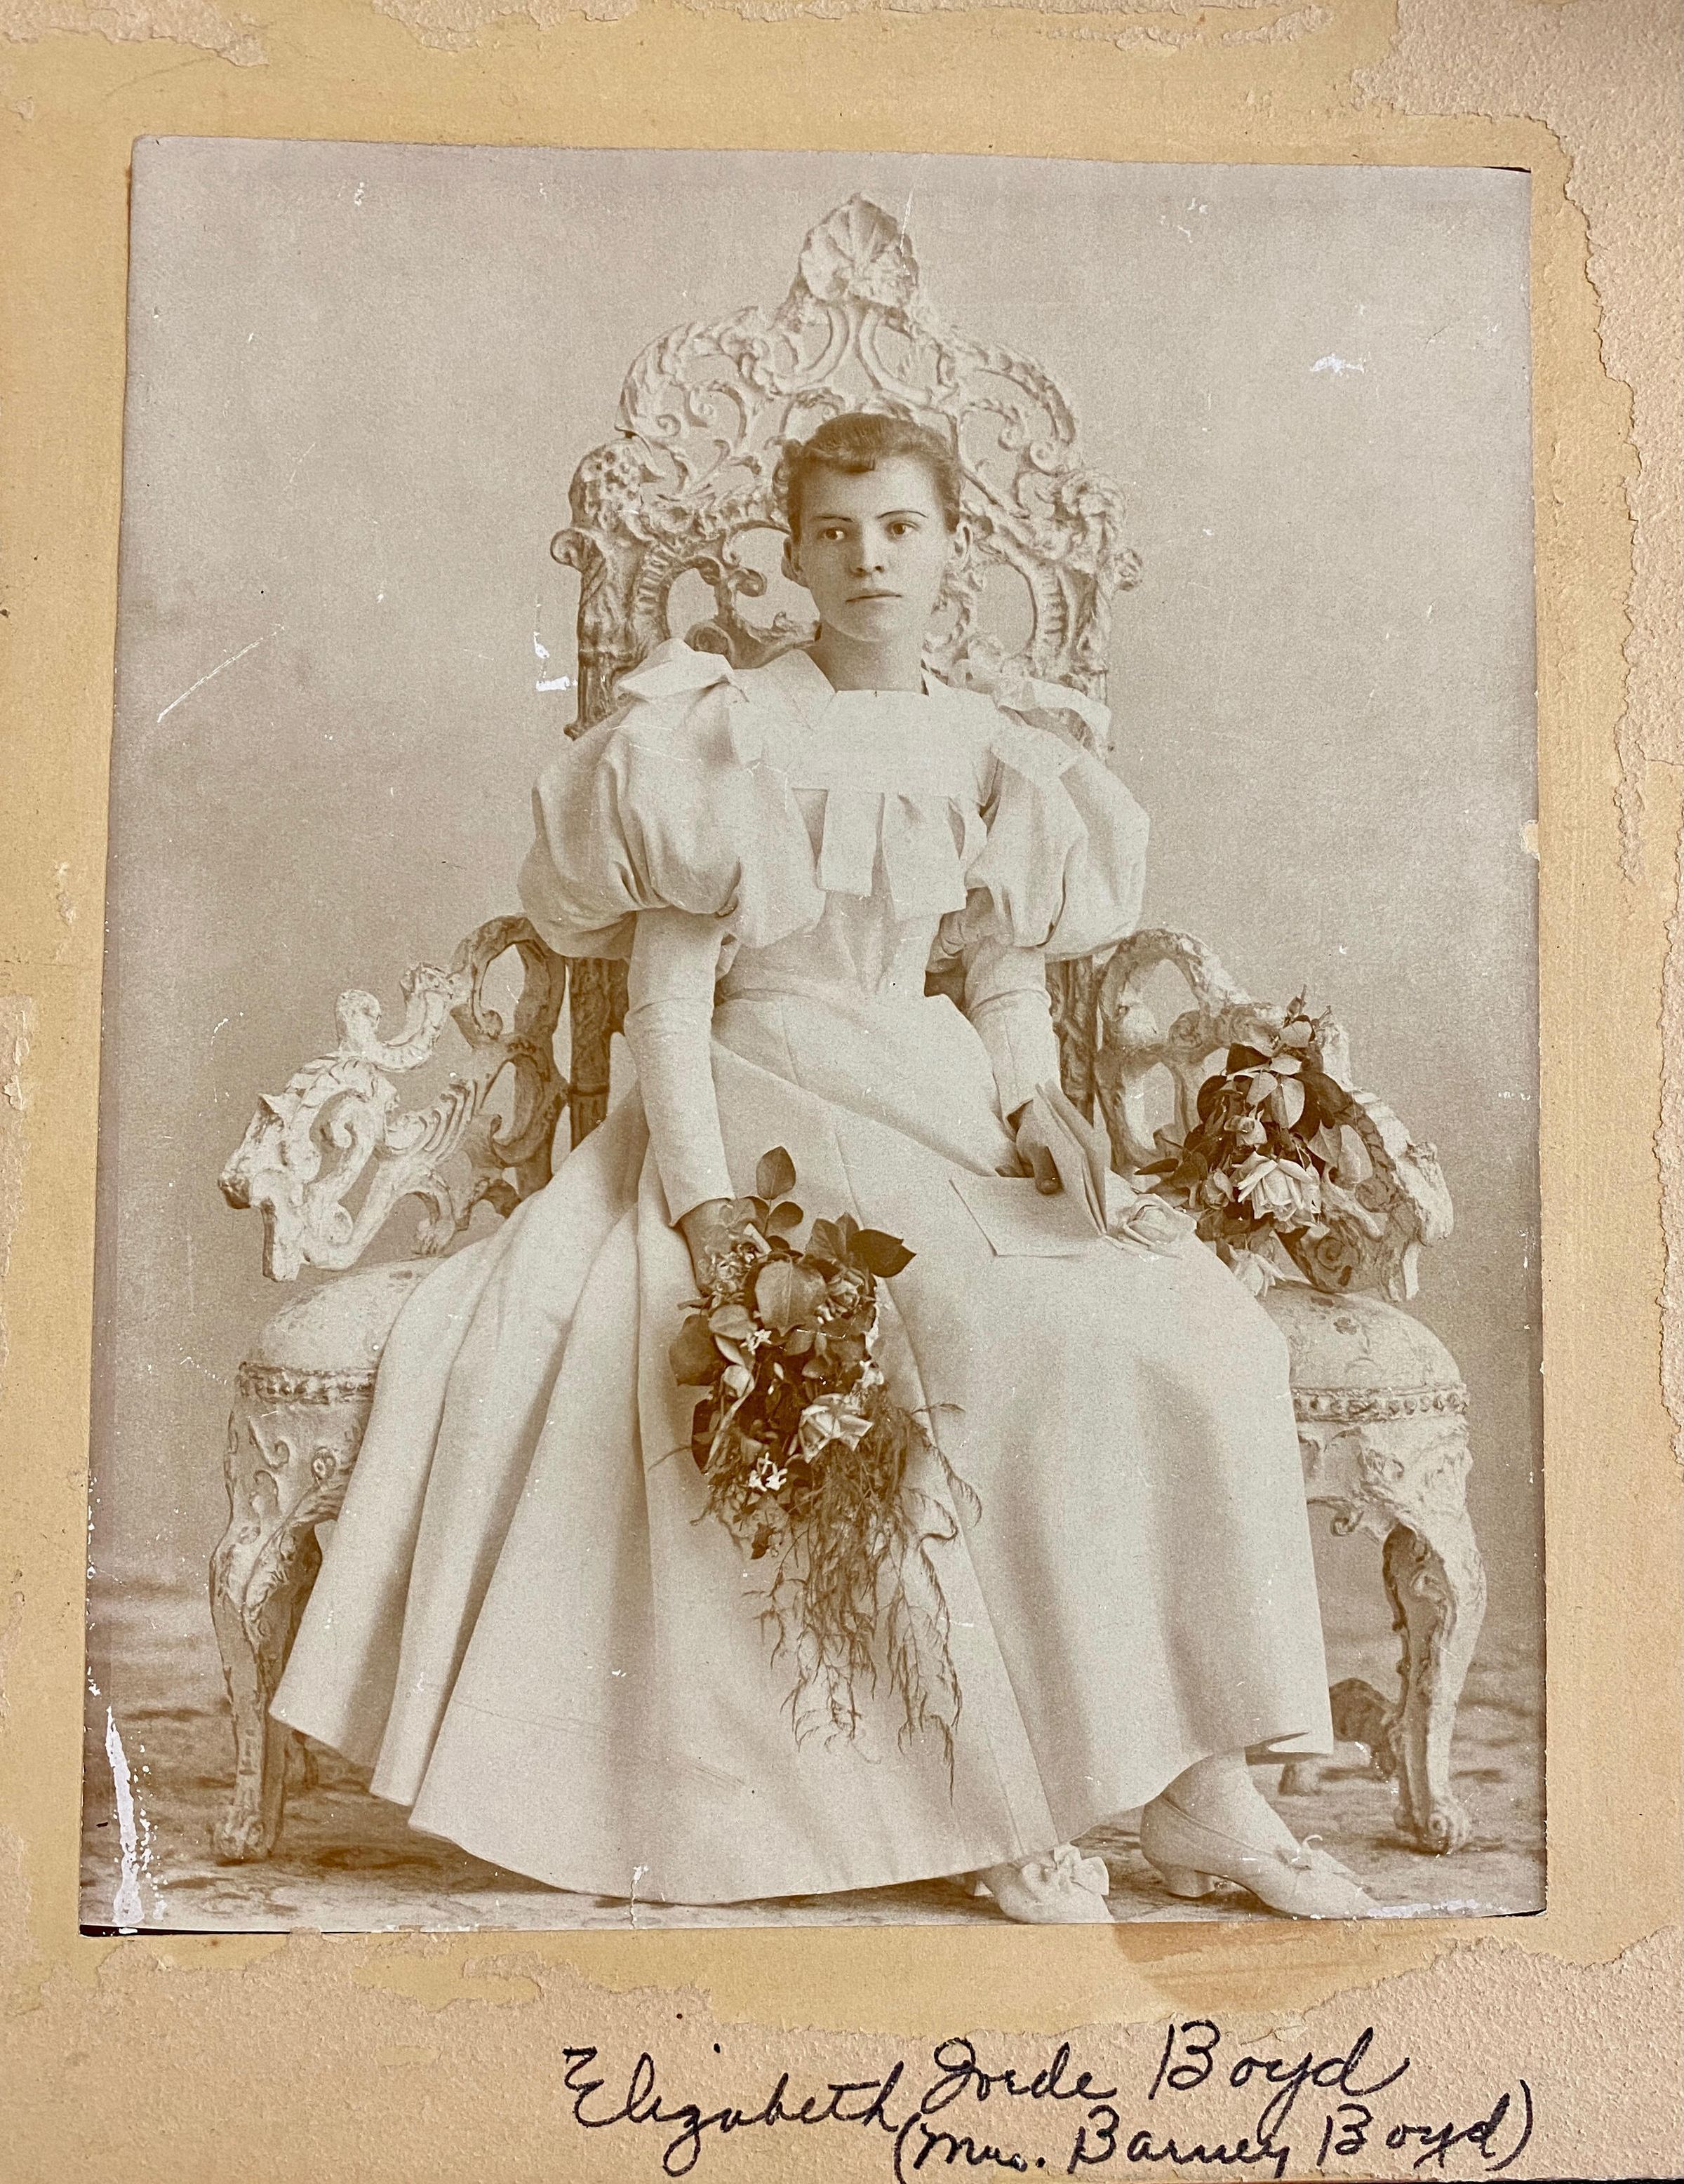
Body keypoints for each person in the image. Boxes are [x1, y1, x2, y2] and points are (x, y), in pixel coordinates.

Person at [272, 410, 1372, 1922]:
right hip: (763, 1096)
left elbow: (999, 974)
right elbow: (667, 1005)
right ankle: (999, 1799)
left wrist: (1038, 1105)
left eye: (902, 528)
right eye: (838, 532)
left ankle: (1203, 1788)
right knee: (981, 1345)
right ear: (791, 555)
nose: (870, 560)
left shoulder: (992, 750)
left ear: (952, 549)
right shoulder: (724, 734)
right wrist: (710, 1207)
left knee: (1204, 1334)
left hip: (934, 1091)